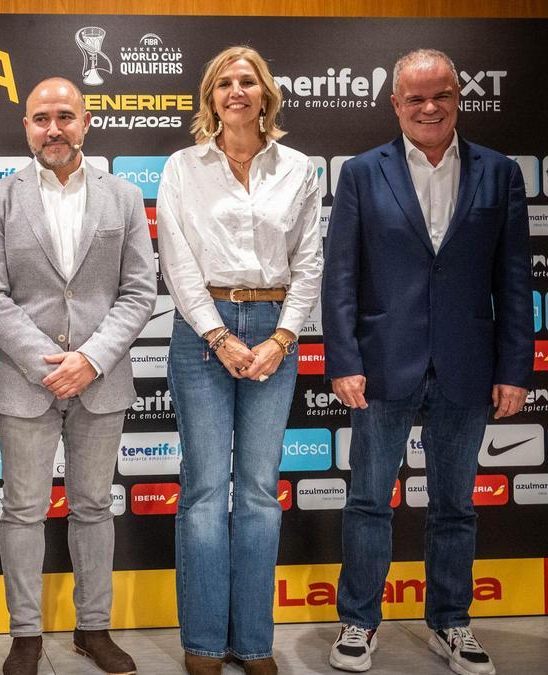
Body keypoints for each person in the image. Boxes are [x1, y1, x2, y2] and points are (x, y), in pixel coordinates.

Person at [324, 48, 530, 675]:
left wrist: (514, 369)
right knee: (367, 502)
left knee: (455, 505)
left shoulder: (499, 173)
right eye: (415, 98)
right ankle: (358, 622)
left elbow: (515, 280)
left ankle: (451, 622)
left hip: (468, 365)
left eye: (441, 94)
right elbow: (341, 277)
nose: (430, 107)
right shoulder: (363, 172)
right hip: (383, 365)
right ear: (396, 104)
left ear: (458, 96)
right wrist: (343, 359)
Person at [0, 76, 156, 675]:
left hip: (101, 379)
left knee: (94, 507)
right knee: (23, 509)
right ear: (26, 125)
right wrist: (47, 363)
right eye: (42, 118)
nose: (54, 128)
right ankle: (26, 634)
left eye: (65, 116)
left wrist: (91, 359)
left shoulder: (123, 196)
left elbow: (138, 291)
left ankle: (92, 628)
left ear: (85, 121)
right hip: (27, 380)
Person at [156, 45, 323, 675]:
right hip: (205, 329)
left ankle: (253, 643)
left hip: (276, 328)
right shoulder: (182, 167)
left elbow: (308, 262)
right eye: (224, 82)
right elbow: (177, 261)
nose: (235, 91)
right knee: (203, 490)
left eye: (246, 81)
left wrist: (282, 339)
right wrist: (218, 336)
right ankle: (202, 642)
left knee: (256, 491)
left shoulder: (298, 168)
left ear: (264, 94)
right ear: (210, 97)